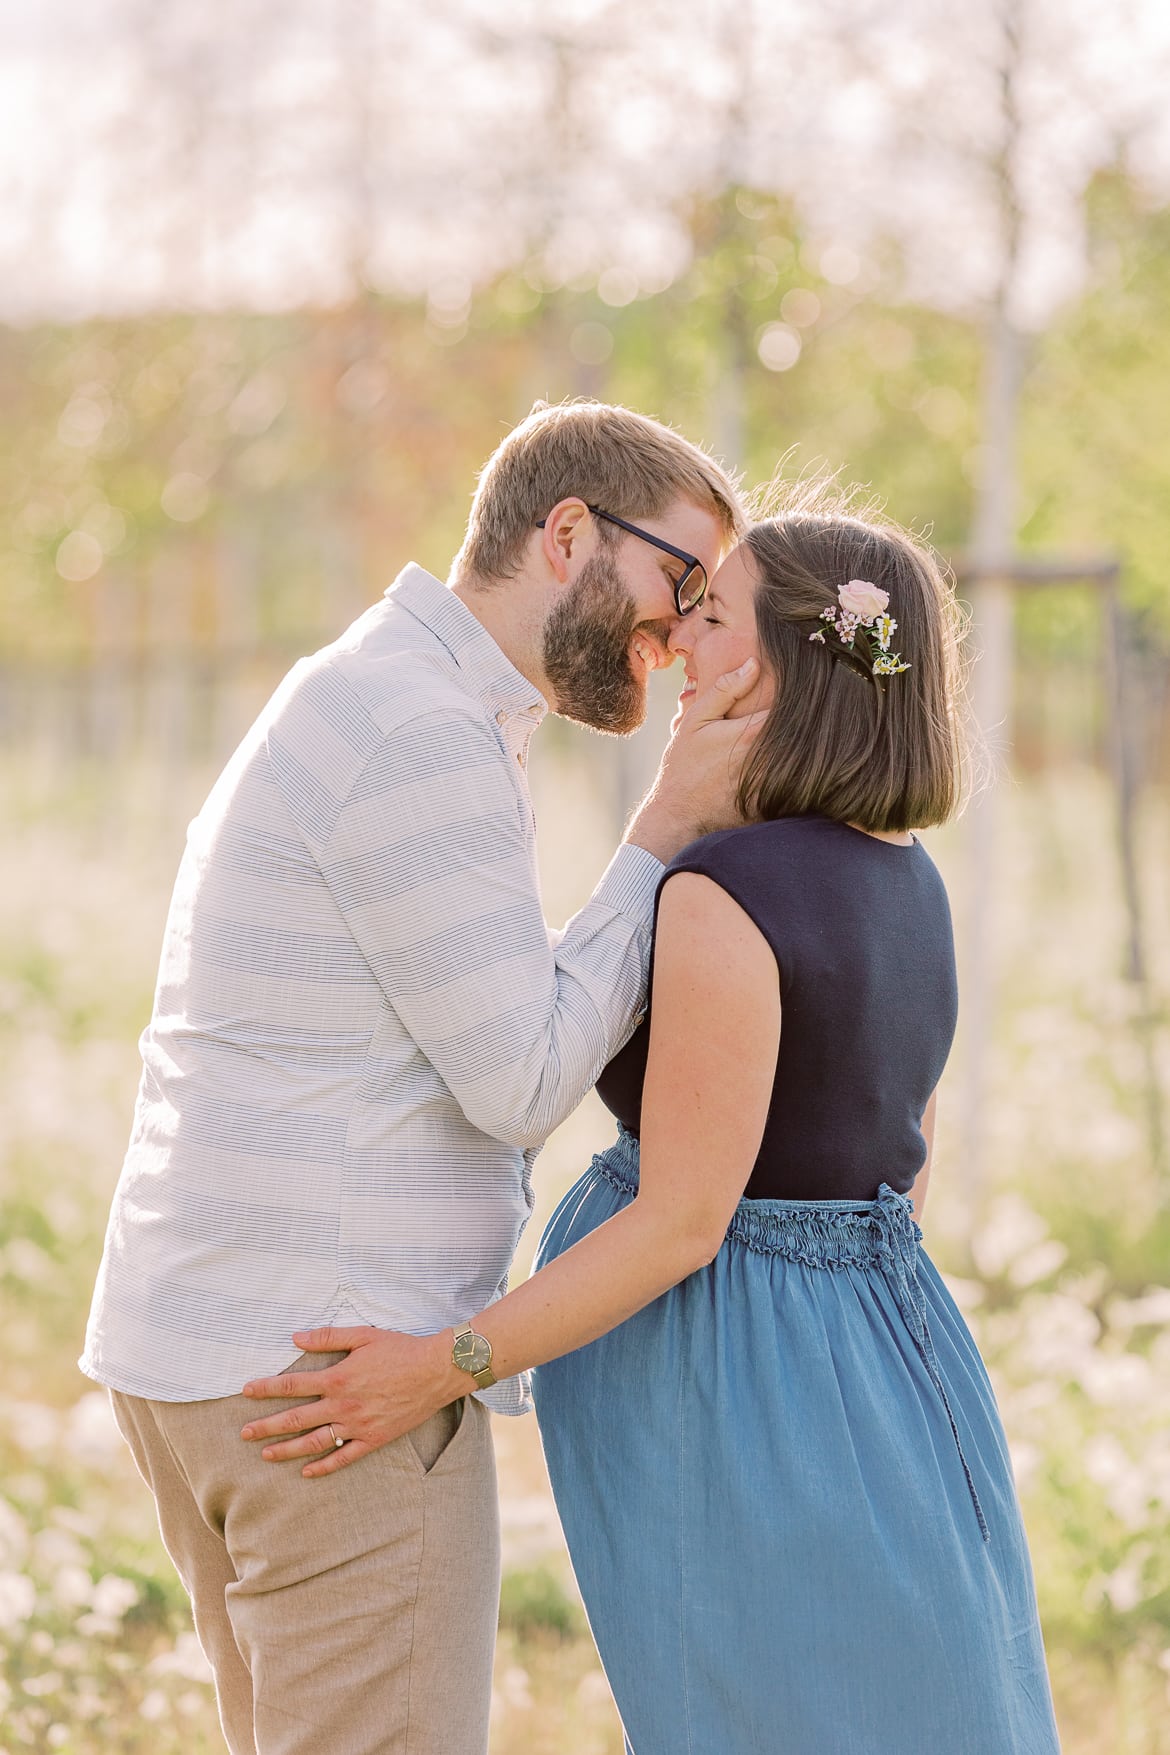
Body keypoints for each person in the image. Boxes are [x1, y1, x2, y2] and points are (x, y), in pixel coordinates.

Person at [240, 483, 1061, 1754]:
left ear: (790, 666)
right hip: (888, 1360)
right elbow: (895, 1164)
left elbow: (685, 1224)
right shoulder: (912, 884)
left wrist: (447, 1362)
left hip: (742, 1384)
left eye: (715, 617)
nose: (676, 644)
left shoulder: (726, 895)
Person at [80, 398, 763, 1755]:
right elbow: (518, 1079)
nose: (682, 631)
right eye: (677, 582)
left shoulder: (385, 690)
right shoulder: (417, 730)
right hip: (335, 1379)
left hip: (229, 1350)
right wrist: (666, 831)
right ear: (567, 533)